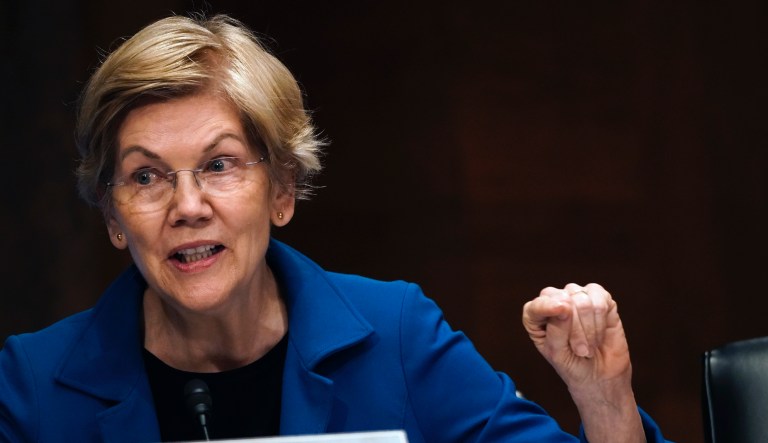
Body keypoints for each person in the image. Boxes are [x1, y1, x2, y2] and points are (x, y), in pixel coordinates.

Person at [0, 13, 669, 443]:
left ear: (283, 189)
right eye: (146, 176)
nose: (188, 204)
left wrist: (603, 397)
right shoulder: (34, 384)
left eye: (219, 164)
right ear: (114, 216)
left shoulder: (396, 335)